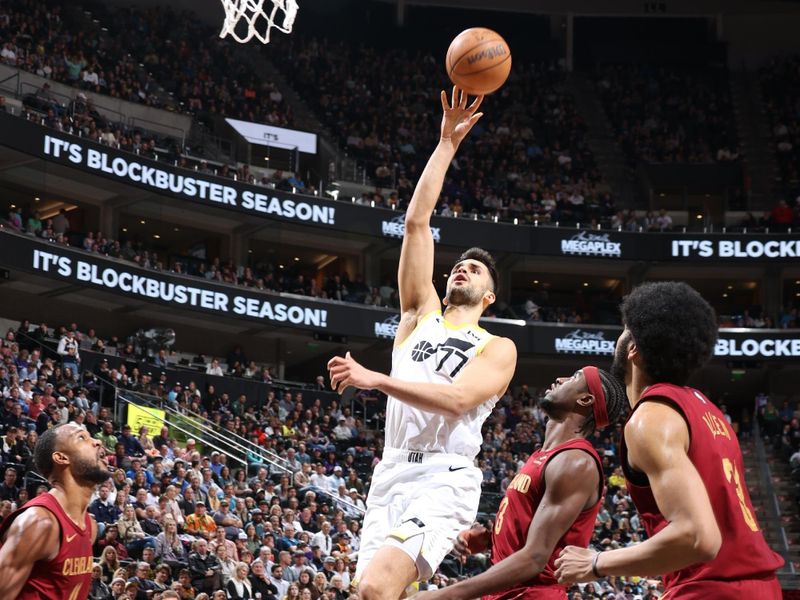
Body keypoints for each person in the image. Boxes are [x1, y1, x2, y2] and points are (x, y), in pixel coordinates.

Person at [327, 87, 517, 600]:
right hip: (390, 471)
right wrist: (446, 145)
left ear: (489, 294)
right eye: (459, 264)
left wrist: (376, 378)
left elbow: (457, 401)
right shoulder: (418, 316)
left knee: (375, 588)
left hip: (444, 475)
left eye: (474, 269)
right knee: (375, 594)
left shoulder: (495, 346)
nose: (462, 268)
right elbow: (416, 223)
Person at [555, 282, 784, 598]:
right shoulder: (711, 413)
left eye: (624, 330)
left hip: (711, 589)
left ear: (633, 346)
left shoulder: (650, 418)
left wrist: (595, 561)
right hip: (761, 588)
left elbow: (697, 537)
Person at [416, 366, 627, 600]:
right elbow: (531, 530)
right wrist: (491, 539)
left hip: (533, 593)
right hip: (509, 591)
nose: (560, 377)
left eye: (575, 377)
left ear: (585, 399)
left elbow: (536, 558)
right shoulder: (544, 455)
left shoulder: (575, 461)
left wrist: (447, 595)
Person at [0, 422, 109, 598]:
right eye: (82, 438)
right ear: (61, 458)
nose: (97, 442)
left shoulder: (91, 526)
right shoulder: (38, 523)